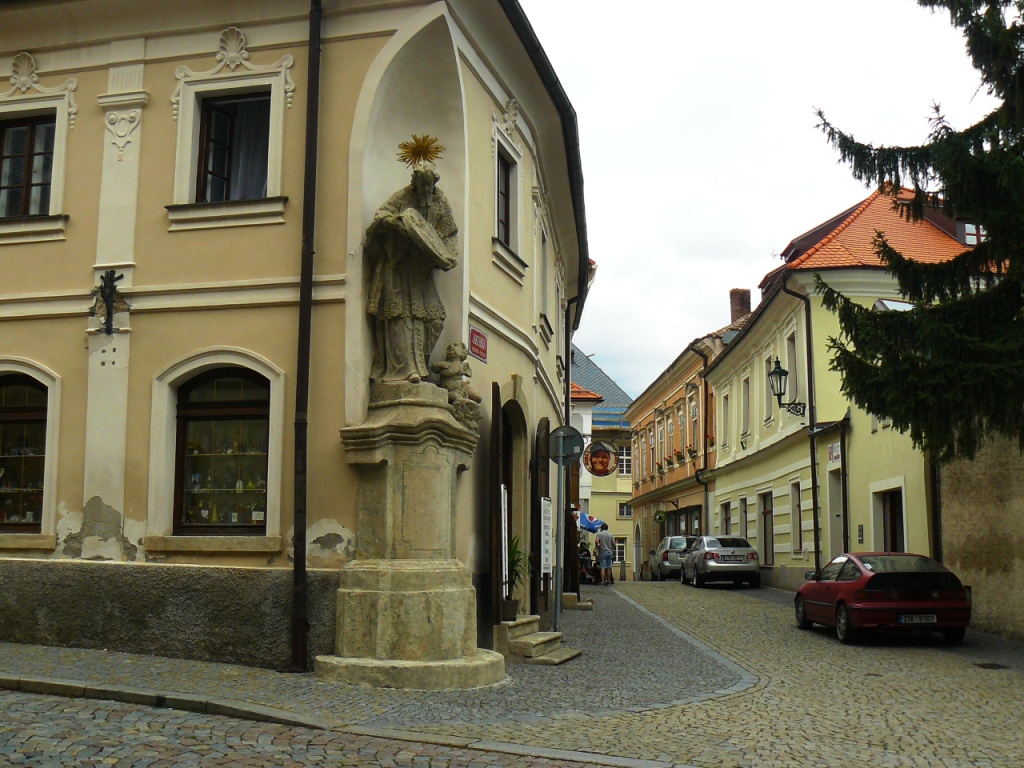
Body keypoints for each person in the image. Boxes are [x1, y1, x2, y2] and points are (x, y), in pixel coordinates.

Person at [365, 160, 458, 384]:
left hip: (421, 270)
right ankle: (403, 372)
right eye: (420, 186)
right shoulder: (402, 197)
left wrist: (447, 255)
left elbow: (448, 235)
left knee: (435, 320)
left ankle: (421, 365)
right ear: (414, 182)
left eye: (428, 186)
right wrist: (396, 223)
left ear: (434, 184)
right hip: (397, 266)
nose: (424, 191)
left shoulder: (441, 203)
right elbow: (381, 216)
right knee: (400, 317)